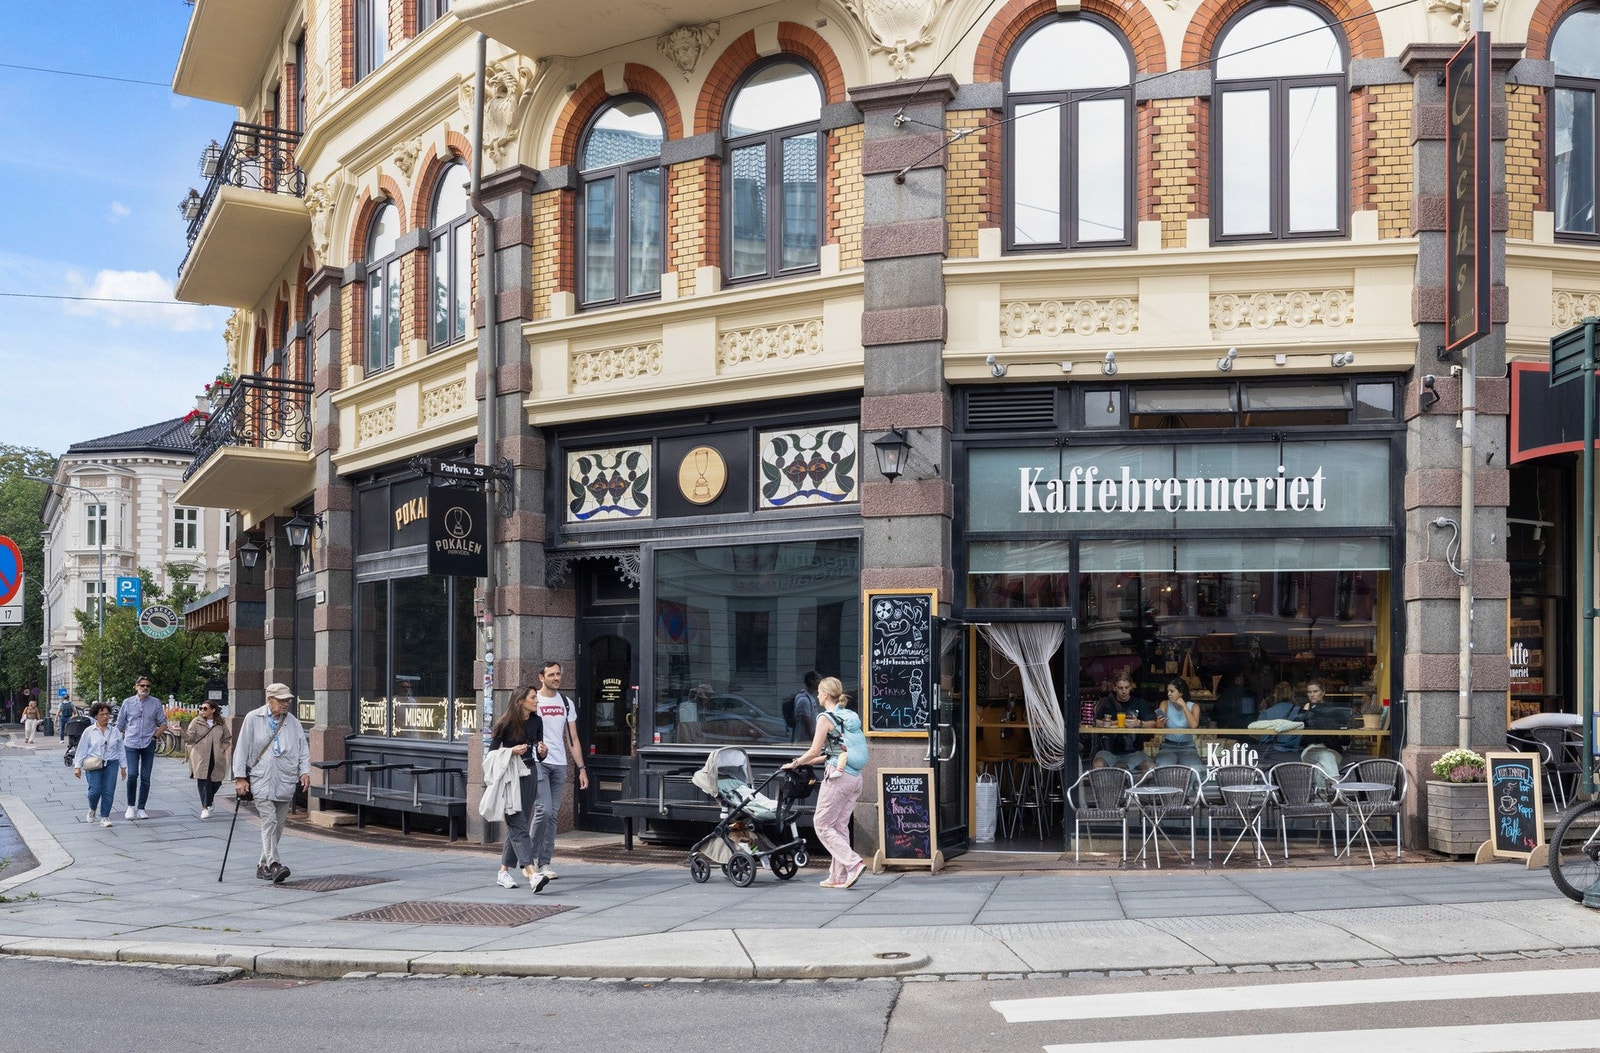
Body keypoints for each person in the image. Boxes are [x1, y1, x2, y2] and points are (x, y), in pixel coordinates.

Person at [783, 676, 869, 889]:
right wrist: (813, 760)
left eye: (820, 692)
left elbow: (814, 749)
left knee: (822, 824)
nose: (818, 695)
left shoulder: (825, 718)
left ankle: (853, 863)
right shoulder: (848, 715)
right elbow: (834, 751)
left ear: (826, 694)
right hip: (855, 777)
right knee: (839, 825)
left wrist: (795, 763)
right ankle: (836, 876)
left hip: (839, 777)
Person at [232, 683, 310, 884]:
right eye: (282, 700)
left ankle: (262, 865)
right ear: (270, 700)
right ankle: (274, 864)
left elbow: (303, 748)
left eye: (288, 700)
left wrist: (305, 771)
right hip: (261, 779)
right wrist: (240, 778)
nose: (286, 704)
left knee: (278, 827)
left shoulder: (292, 722)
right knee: (270, 821)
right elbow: (241, 748)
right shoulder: (253, 718)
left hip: (285, 779)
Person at [529, 660, 589, 882]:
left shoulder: (566, 702)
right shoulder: (533, 699)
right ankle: (530, 861)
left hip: (560, 763)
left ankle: (544, 863)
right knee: (543, 810)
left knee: (553, 815)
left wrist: (581, 768)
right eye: (551, 674)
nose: (556, 678)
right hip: (538, 762)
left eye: (558, 674)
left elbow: (572, 738)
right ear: (541, 677)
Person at [487, 685, 550, 892]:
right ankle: (532, 874)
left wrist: (543, 751)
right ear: (520, 700)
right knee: (518, 822)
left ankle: (503, 872)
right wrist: (512, 751)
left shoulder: (537, 721)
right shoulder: (504, 723)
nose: (537, 700)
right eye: (533, 697)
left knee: (518, 823)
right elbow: (491, 755)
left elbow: (539, 753)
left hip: (530, 774)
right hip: (509, 778)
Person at [115, 675, 174, 820]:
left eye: (147, 686)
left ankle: (141, 808)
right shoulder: (127, 702)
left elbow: (163, 723)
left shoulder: (155, 702)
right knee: (133, 774)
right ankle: (130, 806)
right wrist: (114, 742)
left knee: (146, 777)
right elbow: (120, 724)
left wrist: (154, 736)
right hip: (131, 743)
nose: (145, 688)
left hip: (148, 742)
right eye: (142, 685)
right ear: (136, 687)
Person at [1091, 674, 1157, 775]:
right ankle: (1111, 790)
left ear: (1131, 687)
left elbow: (1153, 723)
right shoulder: (1106, 703)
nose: (1124, 691)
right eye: (1120, 688)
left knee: (1151, 769)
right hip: (1108, 751)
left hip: (1134, 752)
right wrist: (1114, 723)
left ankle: (1132, 789)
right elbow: (1095, 722)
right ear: (1114, 688)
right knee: (1097, 765)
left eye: (1126, 687)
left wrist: (1139, 723)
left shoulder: (1140, 703)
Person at [73, 702, 124, 828]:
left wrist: (123, 766)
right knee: (94, 791)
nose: (105, 717)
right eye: (102, 714)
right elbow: (82, 749)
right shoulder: (89, 731)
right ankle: (92, 808)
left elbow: (120, 749)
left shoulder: (115, 731)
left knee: (108, 791)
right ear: (96, 716)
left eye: (107, 714)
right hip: (94, 763)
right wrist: (77, 766)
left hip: (111, 762)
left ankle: (105, 816)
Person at [183, 701, 233, 818]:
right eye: (201, 708)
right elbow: (189, 739)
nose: (202, 710)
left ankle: (209, 799)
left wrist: (222, 749)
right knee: (203, 780)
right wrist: (181, 731)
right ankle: (205, 807)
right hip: (200, 756)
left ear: (213, 710)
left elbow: (227, 738)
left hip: (216, 756)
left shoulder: (220, 722)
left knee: (217, 781)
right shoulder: (196, 721)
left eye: (205, 708)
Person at [1154, 679, 1205, 774]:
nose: (1168, 694)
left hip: (1188, 746)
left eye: (1172, 691)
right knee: (1163, 769)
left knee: (1196, 771)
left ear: (1181, 692)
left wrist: (1184, 706)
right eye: (1168, 691)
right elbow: (1159, 726)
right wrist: (1160, 724)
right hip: (1168, 745)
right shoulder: (1165, 704)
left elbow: (1193, 726)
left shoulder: (1194, 706)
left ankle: (1188, 789)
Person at [791, 671, 821, 743]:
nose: (821, 683)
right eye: (819, 679)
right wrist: (814, 741)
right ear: (812, 681)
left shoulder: (810, 698)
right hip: (804, 742)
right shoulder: (804, 699)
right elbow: (807, 722)